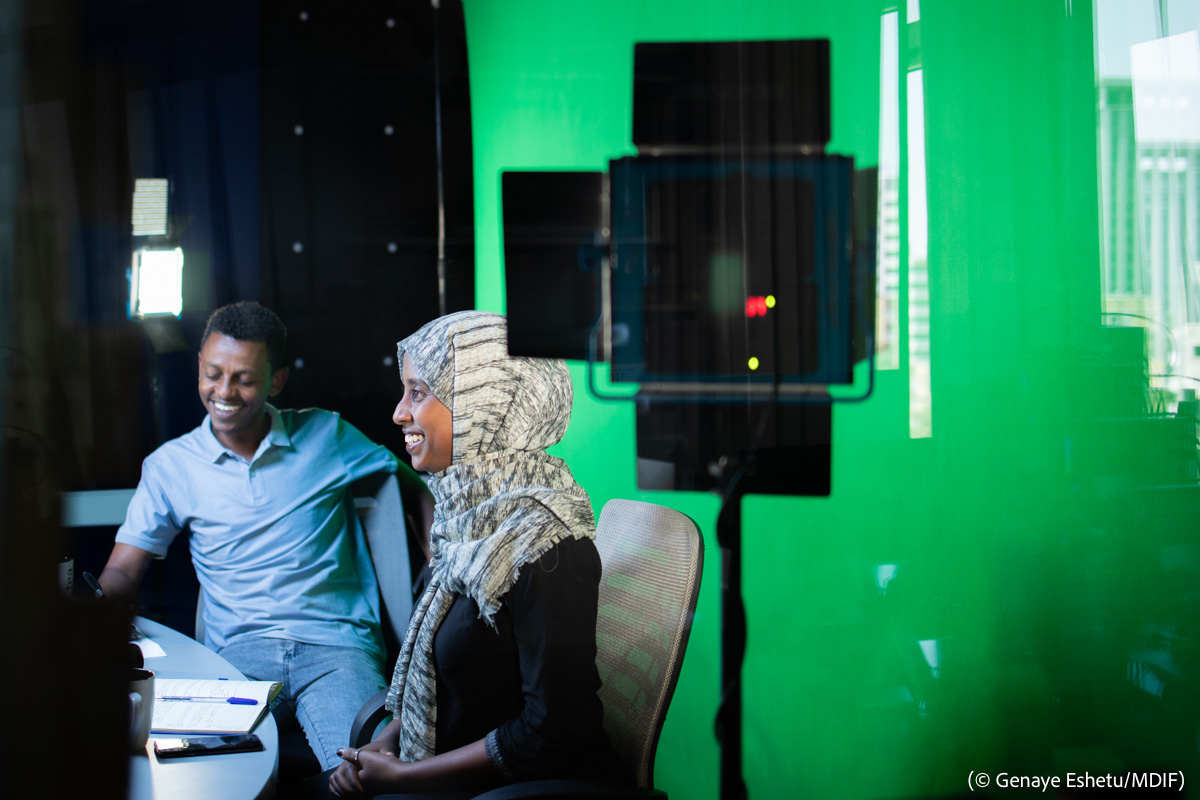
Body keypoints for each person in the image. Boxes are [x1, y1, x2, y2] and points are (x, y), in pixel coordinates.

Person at [99, 301, 432, 772]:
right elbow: (121, 570)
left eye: (245, 379)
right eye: (213, 374)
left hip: (336, 648)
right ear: (199, 365)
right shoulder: (170, 467)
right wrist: (91, 616)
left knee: (363, 771)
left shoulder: (326, 434)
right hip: (239, 656)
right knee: (203, 772)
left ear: (276, 381)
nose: (224, 391)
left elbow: (409, 482)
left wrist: (441, 562)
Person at [321, 310, 618, 799]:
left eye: (418, 393)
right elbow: (448, 681)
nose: (399, 413)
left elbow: (554, 734)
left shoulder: (546, 545)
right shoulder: (469, 522)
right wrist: (385, 746)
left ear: (482, 407)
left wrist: (402, 778)